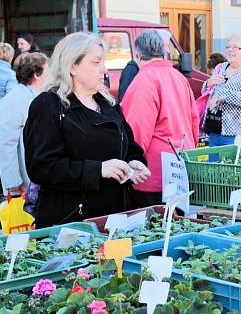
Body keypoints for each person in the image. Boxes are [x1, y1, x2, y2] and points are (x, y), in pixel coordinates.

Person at [23, 32, 151, 228]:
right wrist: (98, 169)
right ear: (73, 66)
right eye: (96, 62)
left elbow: (130, 147)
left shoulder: (108, 105)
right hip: (71, 222)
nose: (104, 69)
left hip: (115, 219)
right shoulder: (48, 105)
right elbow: (42, 167)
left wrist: (134, 163)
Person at [121, 30, 199, 207]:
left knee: (153, 228)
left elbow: (136, 132)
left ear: (138, 55)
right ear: (163, 52)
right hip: (180, 166)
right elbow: (194, 121)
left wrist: (130, 163)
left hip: (152, 174)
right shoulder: (179, 77)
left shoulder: (144, 81)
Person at [0, 52, 48, 195]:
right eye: (49, 70)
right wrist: (13, 185)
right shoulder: (13, 101)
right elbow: (5, 145)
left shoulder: (35, 97)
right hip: (25, 187)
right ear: (37, 74)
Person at [202, 34, 241, 146]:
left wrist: (221, 95)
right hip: (214, 130)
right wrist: (208, 83)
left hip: (238, 133)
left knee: (232, 163)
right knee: (213, 164)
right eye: (228, 47)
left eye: (235, 47)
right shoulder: (220, 67)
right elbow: (207, 93)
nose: (230, 50)